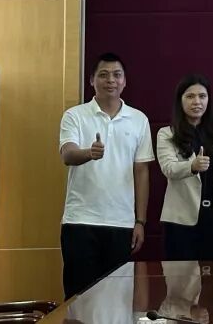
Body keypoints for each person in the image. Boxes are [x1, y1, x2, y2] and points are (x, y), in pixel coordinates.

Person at [58, 52, 154, 298]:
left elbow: (141, 172)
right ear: (92, 80)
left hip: (121, 223)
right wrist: (89, 153)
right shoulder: (75, 115)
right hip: (80, 222)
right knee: (78, 299)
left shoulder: (138, 119)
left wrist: (140, 221)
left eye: (116, 75)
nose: (110, 80)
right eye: (103, 75)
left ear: (124, 81)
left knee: (117, 300)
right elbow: (67, 154)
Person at [157, 73, 213, 260]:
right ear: (180, 100)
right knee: (181, 277)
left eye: (202, 96)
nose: (197, 102)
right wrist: (192, 166)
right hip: (181, 221)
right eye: (190, 96)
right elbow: (168, 168)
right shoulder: (167, 134)